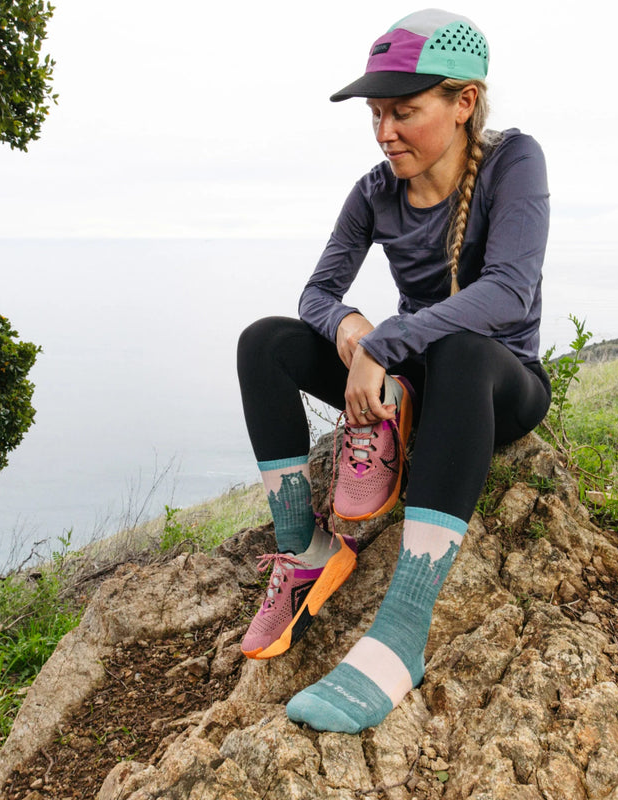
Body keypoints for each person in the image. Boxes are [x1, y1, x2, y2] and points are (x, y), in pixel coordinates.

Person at [236, 8, 552, 734]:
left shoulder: (514, 160)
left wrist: (390, 342)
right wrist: (353, 330)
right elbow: (317, 293)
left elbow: (509, 291)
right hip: (409, 383)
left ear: (464, 101)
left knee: (462, 348)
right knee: (265, 342)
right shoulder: (375, 191)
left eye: (404, 111)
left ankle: (402, 630)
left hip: (498, 384)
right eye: (377, 114)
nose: (385, 132)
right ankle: (306, 548)